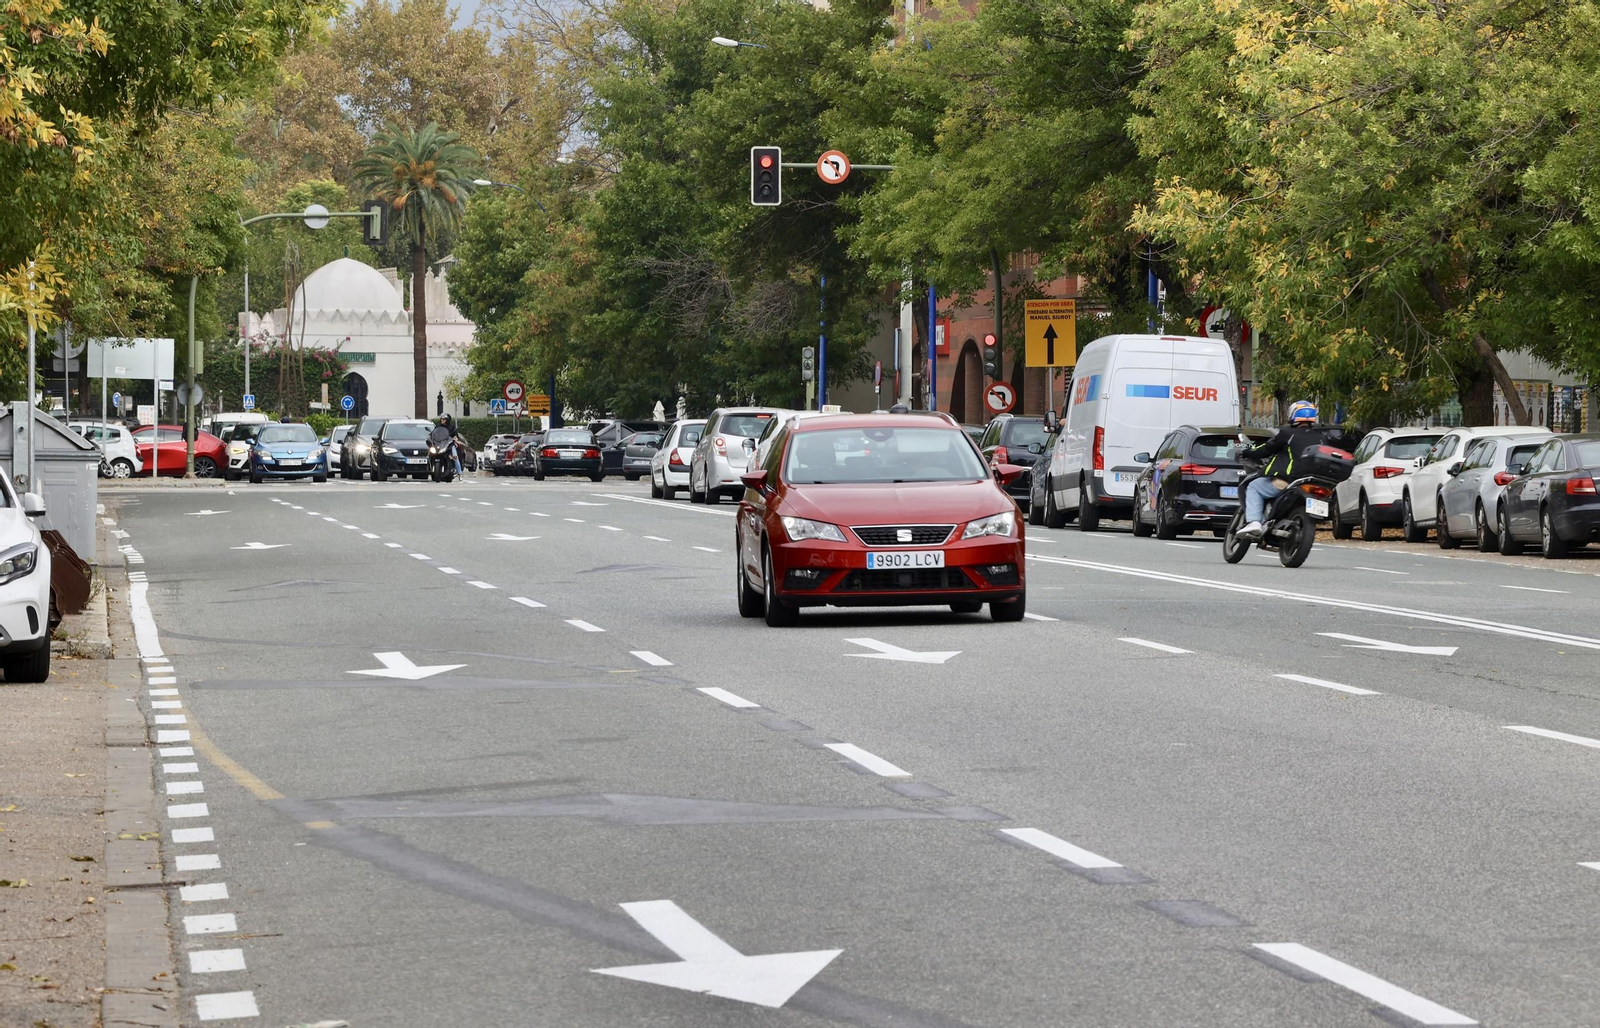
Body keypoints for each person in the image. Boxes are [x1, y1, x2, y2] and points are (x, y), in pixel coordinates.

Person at [1237, 400, 1323, 539]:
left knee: (1253, 487)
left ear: (1293, 415)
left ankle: (1254, 522)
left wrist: (1248, 452)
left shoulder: (1287, 434)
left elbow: (1266, 449)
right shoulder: (1321, 438)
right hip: (1312, 483)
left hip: (1287, 481)